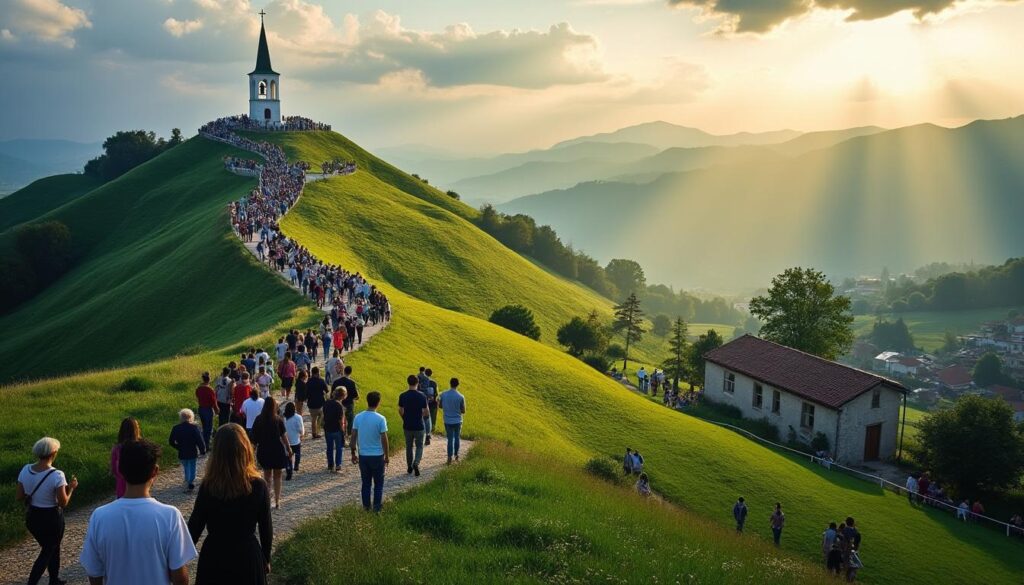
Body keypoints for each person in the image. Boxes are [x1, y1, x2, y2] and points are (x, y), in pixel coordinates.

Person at [81, 440, 197, 585]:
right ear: (155, 471)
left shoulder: (99, 516)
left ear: (120, 469)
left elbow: (94, 573)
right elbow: (179, 577)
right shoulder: (170, 516)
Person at [187, 424, 272, 585]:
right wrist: (266, 558)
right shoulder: (258, 486)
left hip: (214, 556)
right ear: (246, 450)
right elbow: (266, 527)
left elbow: (195, 525)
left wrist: (179, 557)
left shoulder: (208, 486)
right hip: (247, 555)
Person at [17, 437, 78, 585]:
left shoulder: (25, 469)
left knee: (52, 546)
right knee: (48, 550)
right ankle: (32, 582)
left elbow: (19, 496)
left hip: (32, 518)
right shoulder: (57, 475)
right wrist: (71, 488)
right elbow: (63, 503)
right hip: (51, 518)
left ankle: (54, 579)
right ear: (53, 453)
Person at [351, 391, 390, 512]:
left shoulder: (358, 417)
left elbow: (353, 437)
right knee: (378, 484)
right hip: (377, 456)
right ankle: (377, 508)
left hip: (363, 456)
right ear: (378, 403)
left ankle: (366, 507)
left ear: (367, 401)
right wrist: (387, 456)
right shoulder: (380, 419)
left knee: (366, 483)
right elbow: (384, 439)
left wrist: (353, 453)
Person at [251, 397, 291, 509]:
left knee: (267, 477)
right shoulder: (278, 420)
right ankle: (277, 501)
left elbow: (253, 439)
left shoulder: (258, 419)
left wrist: (251, 454)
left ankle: (267, 500)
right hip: (277, 450)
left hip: (264, 450)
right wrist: (289, 448)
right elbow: (284, 437)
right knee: (278, 477)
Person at [169, 409, 206, 492]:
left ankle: (187, 479)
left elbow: (171, 441)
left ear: (181, 417)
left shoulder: (176, 428)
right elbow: (199, 440)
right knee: (192, 465)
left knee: (185, 465)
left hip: (182, 450)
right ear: (191, 417)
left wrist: (177, 447)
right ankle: (191, 481)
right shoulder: (194, 428)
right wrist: (202, 450)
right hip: (192, 450)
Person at [398, 375, 429, 476]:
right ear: (418, 383)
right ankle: (416, 462)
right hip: (419, 425)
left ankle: (409, 466)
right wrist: (420, 416)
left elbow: (400, 410)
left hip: (407, 425)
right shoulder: (422, 396)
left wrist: (405, 418)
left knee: (409, 446)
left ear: (408, 382)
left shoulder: (402, 396)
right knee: (419, 446)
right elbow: (426, 412)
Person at [439, 377, 466, 464]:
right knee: (457, 438)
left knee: (450, 439)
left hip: (447, 420)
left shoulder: (443, 394)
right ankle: (456, 455)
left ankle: (449, 457)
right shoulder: (460, 396)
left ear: (450, 383)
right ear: (458, 385)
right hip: (457, 420)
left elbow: (440, 406)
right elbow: (463, 411)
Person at [111, 417, 140, 499]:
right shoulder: (140, 447)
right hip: (138, 483)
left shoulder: (117, 448)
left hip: (122, 483)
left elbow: (114, 469)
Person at [323, 388, 347, 472]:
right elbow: (341, 420)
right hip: (337, 429)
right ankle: (338, 465)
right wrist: (343, 430)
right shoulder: (339, 406)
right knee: (338, 448)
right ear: (343, 396)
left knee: (329, 448)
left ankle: (330, 465)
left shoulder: (326, 403)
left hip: (327, 428)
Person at [195, 372, 219, 450]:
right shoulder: (210, 389)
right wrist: (216, 410)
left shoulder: (199, 388)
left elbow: (197, 396)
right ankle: (207, 445)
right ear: (209, 380)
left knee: (204, 427)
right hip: (208, 410)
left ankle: (202, 444)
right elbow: (213, 401)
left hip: (201, 409)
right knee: (208, 428)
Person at [335, 365, 358, 437]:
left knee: (340, 420)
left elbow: (332, 394)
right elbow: (356, 396)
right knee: (350, 419)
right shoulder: (352, 383)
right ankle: (349, 434)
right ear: (350, 372)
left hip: (338, 403)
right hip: (349, 404)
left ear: (344, 371)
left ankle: (342, 434)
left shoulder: (337, 381)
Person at [283, 402, 304, 480]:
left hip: (286, 441)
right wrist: (302, 434)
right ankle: (296, 465)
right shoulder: (298, 417)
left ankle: (289, 471)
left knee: (287, 457)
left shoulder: (283, 418)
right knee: (297, 453)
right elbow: (301, 429)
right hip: (295, 440)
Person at [306, 367, 328, 438]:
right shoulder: (321, 381)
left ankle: (314, 433)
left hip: (311, 403)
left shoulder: (308, 382)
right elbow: (327, 390)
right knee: (321, 417)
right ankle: (319, 431)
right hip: (320, 403)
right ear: (318, 372)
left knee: (313, 419)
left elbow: (306, 393)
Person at [423, 368, 439, 442]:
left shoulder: (421, 382)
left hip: (424, 403)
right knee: (432, 418)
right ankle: (430, 432)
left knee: (424, 418)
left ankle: (426, 433)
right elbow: (436, 394)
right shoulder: (434, 383)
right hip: (432, 403)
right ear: (431, 374)